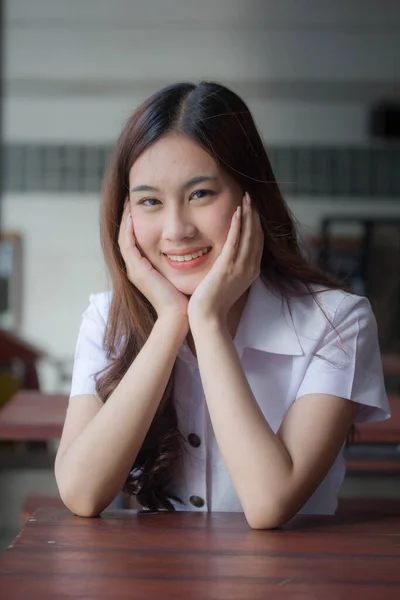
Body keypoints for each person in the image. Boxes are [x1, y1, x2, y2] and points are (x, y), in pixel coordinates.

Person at [55, 81, 390, 528]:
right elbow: (82, 491)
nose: (176, 229)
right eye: (150, 201)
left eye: (200, 194)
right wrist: (171, 321)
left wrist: (207, 322)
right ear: (126, 216)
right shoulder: (106, 317)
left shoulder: (338, 320)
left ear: (250, 197)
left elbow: (269, 502)